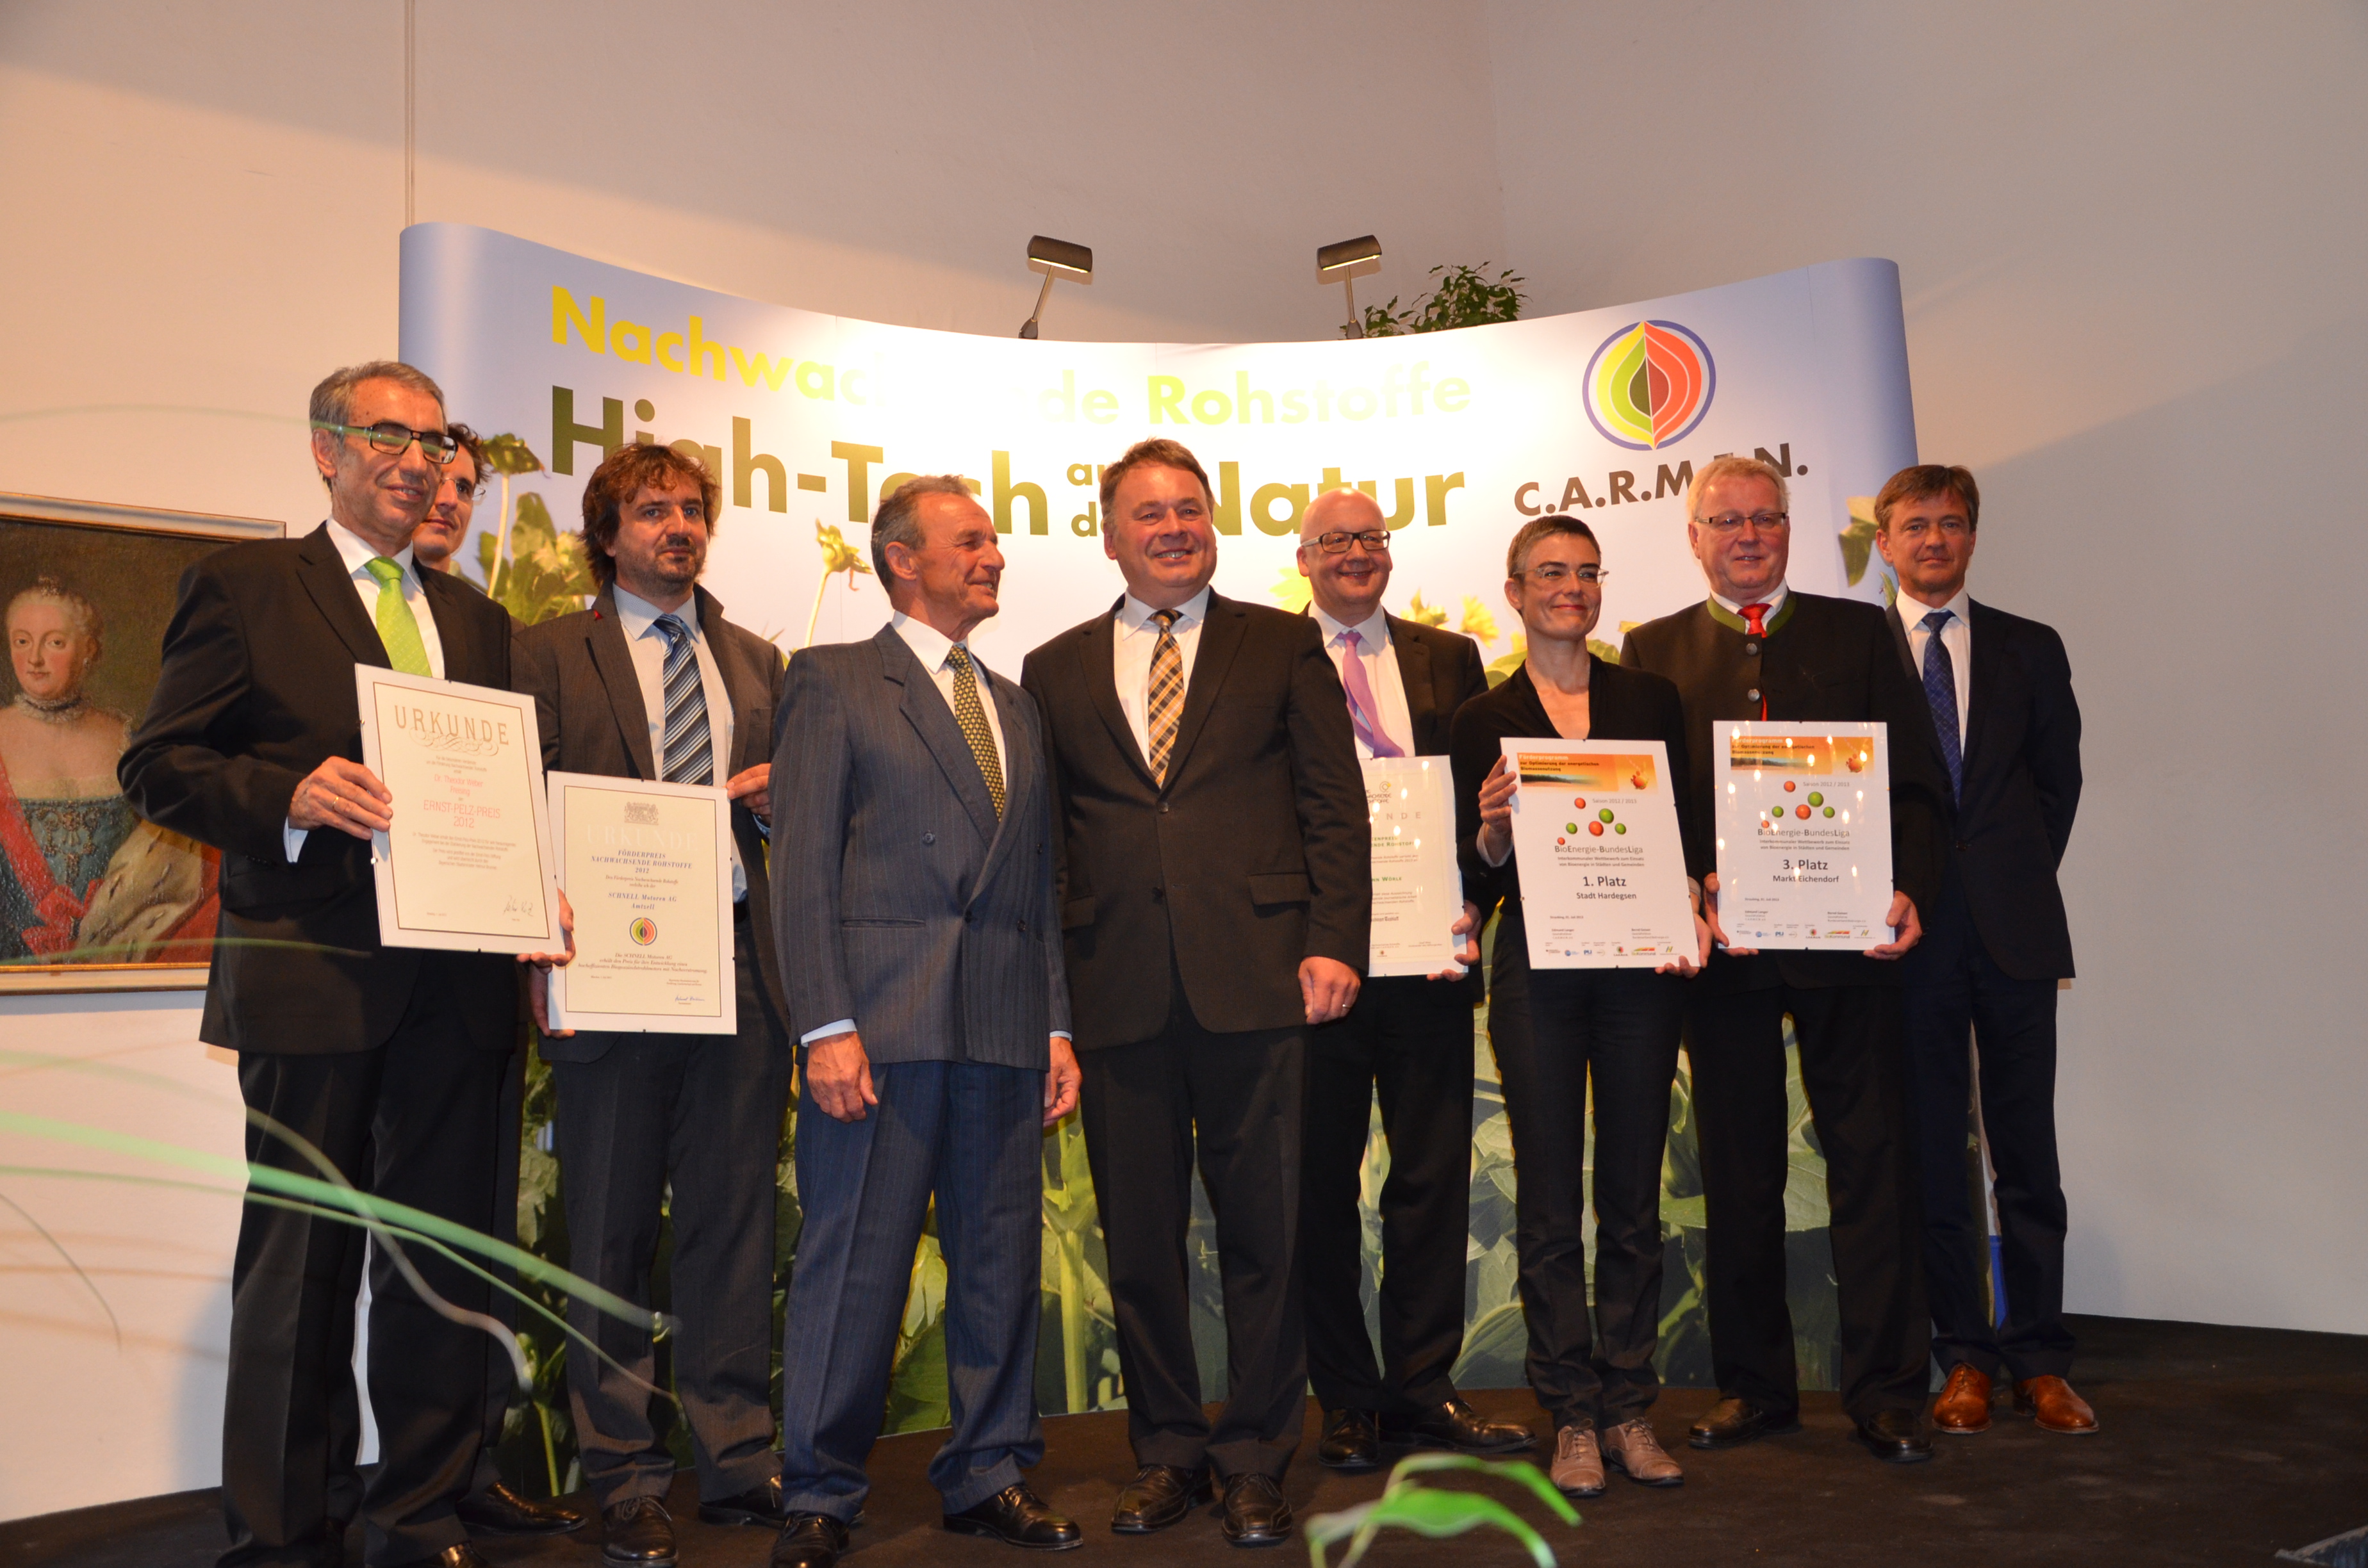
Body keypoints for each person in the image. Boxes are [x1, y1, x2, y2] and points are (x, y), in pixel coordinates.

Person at [118, 360, 570, 1568]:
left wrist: (535, 882)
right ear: (326, 450)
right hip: (312, 974)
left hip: (458, 989)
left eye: (436, 440)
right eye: (388, 435)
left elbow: (496, 792)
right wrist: (289, 794)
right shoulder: (247, 586)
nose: (419, 462)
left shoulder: (474, 618)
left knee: (439, 1266)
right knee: (301, 1267)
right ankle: (282, 1531)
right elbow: (157, 764)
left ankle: (417, 1512)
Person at [1021, 439, 1369, 1549]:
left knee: (1270, 1232)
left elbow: (1334, 802)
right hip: (1115, 988)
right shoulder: (1053, 667)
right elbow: (1050, 846)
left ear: (1211, 525)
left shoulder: (1281, 642)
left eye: (1189, 510)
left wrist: (1335, 939)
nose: (1172, 529)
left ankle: (1257, 1456)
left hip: (1261, 980)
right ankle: (1167, 1449)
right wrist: (1053, 1004)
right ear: (1109, 535)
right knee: (1139, 1243)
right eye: (1149, 513)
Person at [767, 475, 1082, 1568]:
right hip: (880, 1029)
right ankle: (819, 1492)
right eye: (971, 540)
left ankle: (990, 1471)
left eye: (994, 541)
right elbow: (802, 866)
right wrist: (824, 1025)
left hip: (1002, 1026)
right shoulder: (831, 680)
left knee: (999, 1264)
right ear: (903, 559)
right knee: (854, 1265)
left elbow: (1037, 881)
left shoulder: (1017, 704)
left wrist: (1055, 1026)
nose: (994, 556)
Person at [1620, 453, 1948, 1465]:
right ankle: (1754, 1390)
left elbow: (1916, 783)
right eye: (1727, 521)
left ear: (1789, 529)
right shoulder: (1652, 649)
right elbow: (1647, 801)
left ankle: (1887, 1391)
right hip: (1728, 952)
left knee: (1873, 1164)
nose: (1749, 535)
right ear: (1695, 537)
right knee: (1739, 1174)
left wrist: (1911, 886)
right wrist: (1690, 884)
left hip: (1852, 946)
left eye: (1765, 517)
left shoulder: (1860, 632)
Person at [514, 443, 794, 1566]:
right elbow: (517, 805)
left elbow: (797, 817)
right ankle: (625, 1475)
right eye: (650, 510)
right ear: (608, 534)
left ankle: (736, 1458)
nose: (678, 526)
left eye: (691, 509)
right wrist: (537, 946)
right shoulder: (545, 652)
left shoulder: (759, 661)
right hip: (608, 971)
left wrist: (777, 800)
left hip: (736, 970)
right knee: (612, 1230)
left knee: (732, 1225)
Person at [1452, 516, 1707, 1496]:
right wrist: (1490, 828)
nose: (1572, 587)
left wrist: (1690, 907)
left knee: (1634, 1196)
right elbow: (1481, 871)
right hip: (1539, 970)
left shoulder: (1648, 698)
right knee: (1552, 1201)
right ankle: (1570, 1414)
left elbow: (1679, 830)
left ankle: (1630, 1408)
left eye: (1587, 572)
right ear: (1515, 591)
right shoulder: (1484, 716)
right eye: (1551, 573)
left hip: (1639, 965)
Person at [1290, 487, 1529, 1474]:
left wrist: (1475, 888)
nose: (1357, 553)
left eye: (1372, 538)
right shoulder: (1273, 656)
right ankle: (1348, 1399)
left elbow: (1475, 810)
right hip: (1321, 966)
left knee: (1431, 1182)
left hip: (1427, 958)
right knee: (1319, 1188)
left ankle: (1424, 1389)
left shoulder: (1448, 658)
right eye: (1336, 540)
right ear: (1303, 560)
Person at [1871, 464, 2093, 1437]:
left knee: (2027, 1154)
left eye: (1952, 522)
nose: (1935, 539)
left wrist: (2006, 877)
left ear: (1972, 536)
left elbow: (2058, 786)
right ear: (1885, 541)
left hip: (2014, 931)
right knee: (1934, 1153)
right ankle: (1963, 1354)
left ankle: (2040, 1359)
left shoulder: (2029, 647)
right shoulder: (1861, 653)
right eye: (1916, 524)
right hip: (1909, 934)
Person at [0, 578, 136, 955]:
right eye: (22, 641)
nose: (34, 659)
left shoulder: (125, 738)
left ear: (88, 649)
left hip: (111, 952)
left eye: (55, 643)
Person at [411, 423, 484, 583]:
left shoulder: (473, 600)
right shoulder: (355, 591)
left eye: (462, 488)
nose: (451, 500)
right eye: (436, 480)